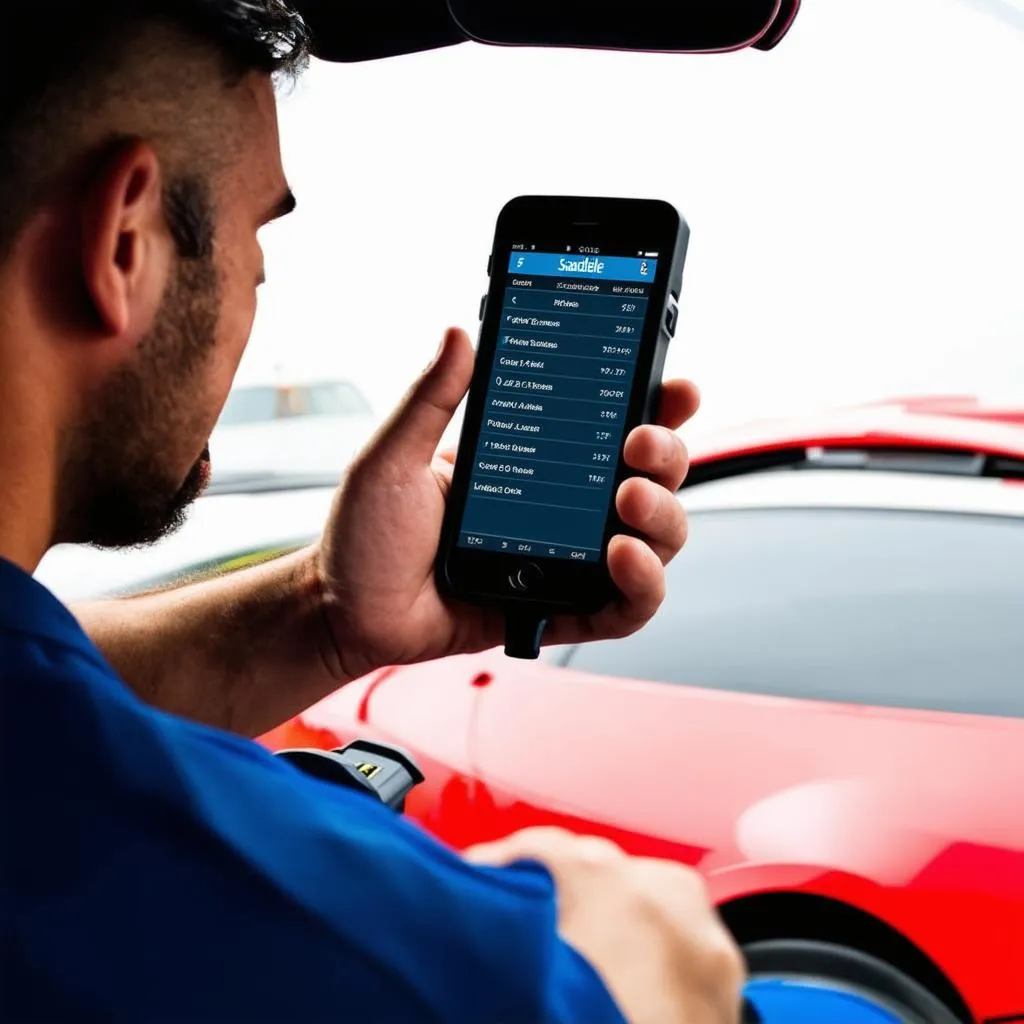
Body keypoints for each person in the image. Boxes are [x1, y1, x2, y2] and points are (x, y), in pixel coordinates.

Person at [0, 2, 744, 1022]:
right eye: (257, 250)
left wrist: (324, 608)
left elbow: (36, 695)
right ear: (122, 237)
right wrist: (612, 966)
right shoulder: (437, 973)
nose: (257, 307)